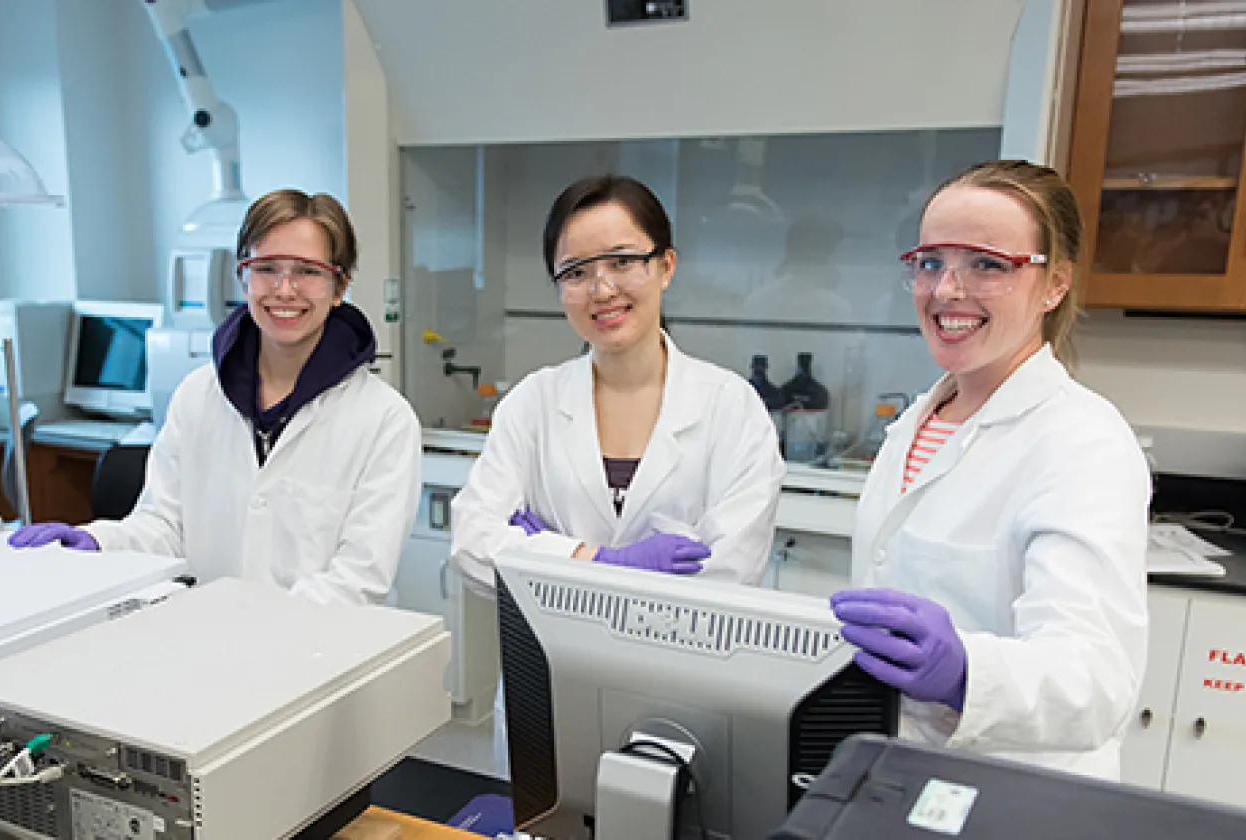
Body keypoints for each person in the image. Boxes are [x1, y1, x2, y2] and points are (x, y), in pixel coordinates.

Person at [830, 160, 1150, 781]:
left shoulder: (1083, 442)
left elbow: (1096, 680)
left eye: (986, 264)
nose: (947, 290)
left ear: (1055, 284)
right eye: (930, 262)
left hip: (1018, 793)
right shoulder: (919, 421)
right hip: (902, 768)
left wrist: (964, 672)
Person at [8, 189, 422, 606]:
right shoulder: (198, 395)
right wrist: (95, 540)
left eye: (307, 271)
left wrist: (249, 626)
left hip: (322, 653)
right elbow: (164, 527)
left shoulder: (383, 419)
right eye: (266, 268)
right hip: (207, 642)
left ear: (339, 287)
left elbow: (358, 580)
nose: (284, 289)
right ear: (243, 278)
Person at [451, 174, 786, 592]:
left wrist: (543, 553)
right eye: (575, 271)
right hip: (551, 657)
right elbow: (471, 546)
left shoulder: (731, 407)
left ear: (666, 267)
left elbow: (729, 574)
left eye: (622, 262)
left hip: (677, 656)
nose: (602, 289)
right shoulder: (533, 403)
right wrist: (601, 560)